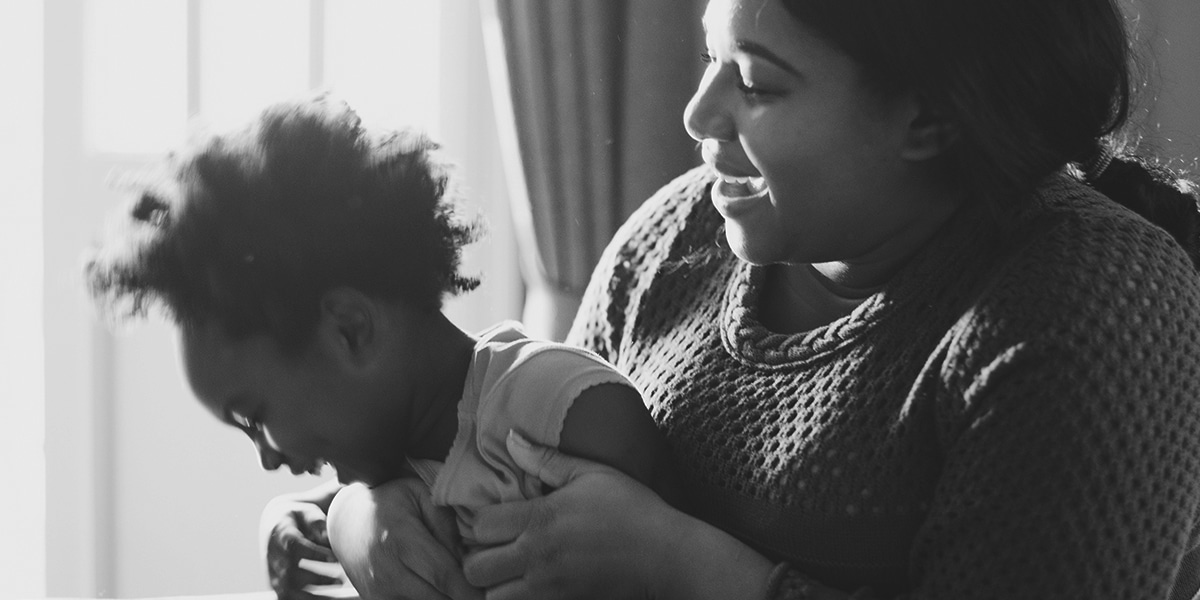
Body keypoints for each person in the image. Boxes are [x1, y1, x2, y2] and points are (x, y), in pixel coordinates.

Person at [273, 0, 1200, 598]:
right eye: (710, 58)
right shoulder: (676, 239)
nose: (699, 115)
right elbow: (496, 464)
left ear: (934, 116)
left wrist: (691, 571)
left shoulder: (1090, 312)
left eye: (756, 81)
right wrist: (371, 509)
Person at [82, 95, 677, 600]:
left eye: (255, 418)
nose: (267, 458)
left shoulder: (560, 411)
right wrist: (297, 521)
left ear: (350, 330)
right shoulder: (394, 451)